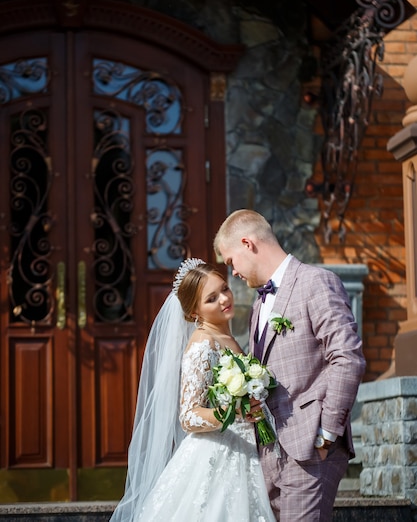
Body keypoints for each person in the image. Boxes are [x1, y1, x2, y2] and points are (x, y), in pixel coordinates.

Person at [213, 209, 366, 522]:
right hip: (270, 452)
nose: (234, 274)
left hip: (311, 448)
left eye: (231, 262)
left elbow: (347, 357)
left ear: (247, 243)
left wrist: (327, 435)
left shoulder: (315, 282)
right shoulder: (259, 304)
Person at [110, 257, 275, 522]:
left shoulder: (226, 336)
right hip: (217, 457)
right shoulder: (203, 344)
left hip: (244, 449)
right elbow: (188, 415)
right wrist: (231, 410)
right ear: (194, 312)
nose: (224, 299)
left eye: (224, 289)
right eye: (211, 298)